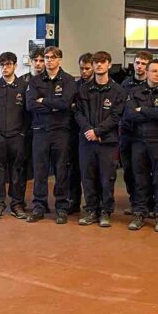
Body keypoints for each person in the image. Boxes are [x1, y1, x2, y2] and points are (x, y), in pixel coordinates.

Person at [25, 46, 77, 224]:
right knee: (40, 171)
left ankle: (61, 206)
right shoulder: (36, 81)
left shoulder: (69, 80)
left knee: (61, 170)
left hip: (61, 132)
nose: (48, 61)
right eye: (46, 57)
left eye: (52, 58)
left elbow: (65, 103)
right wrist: (53, 105)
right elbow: (30, 105)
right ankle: (39, 205)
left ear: (59, 60)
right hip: (40, 131)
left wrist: (44, 101)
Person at [74, 51, 125, 228]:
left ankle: (105, 211)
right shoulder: (83, 90)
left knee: (107, 178)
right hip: (86, 141)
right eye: (96, 62)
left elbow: (116, 115)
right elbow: (78, 112)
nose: (99, 65)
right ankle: (91, 211)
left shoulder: (118, 90)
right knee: (88, 178)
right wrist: (88, 130)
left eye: (103, 62)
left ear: (109, 65)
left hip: (107, 142)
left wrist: (98, 131)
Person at [122, 59, 158, 232]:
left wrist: (142, 110)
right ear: (147, 72)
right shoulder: (135, 91)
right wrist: (154, 112)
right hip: (139, 142)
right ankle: (139, 213)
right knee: (140, 179)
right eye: (154, 71)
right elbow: (129, 114)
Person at [0, 52, 28, 219]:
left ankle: (17, 205)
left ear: (15, 65)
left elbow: (27, 114)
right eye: (2, 65)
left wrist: (23, 133)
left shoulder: (23, 87)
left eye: (8, 64)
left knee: (17, 172)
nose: (5, 68)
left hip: (17, 137)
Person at [119, 51, 154, 215]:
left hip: (147, 134)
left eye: (143, 64)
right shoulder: (126, 84)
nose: (139, 66)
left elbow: (155, 112)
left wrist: (142, 112)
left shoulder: (153, 85)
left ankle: (147, 203)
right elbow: (124, 110)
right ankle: (135, 201)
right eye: (137, 63)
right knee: (129, 169)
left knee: (145, 170)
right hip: (127, 132)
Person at [66, 52, 94, 215]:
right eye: (81, 68)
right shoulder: (75, 86)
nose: (84, 72)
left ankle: (94, 204)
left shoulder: (99, 86)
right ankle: (73, 201)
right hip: (75, 132)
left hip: (93, 134)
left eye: (87, 68)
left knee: (91, 171)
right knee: (73, 169)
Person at [19, 48, 45, 189]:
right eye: (36, 60)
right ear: (30, 62)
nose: (38, 64)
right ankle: (19, 201)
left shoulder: (49, 82)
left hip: (43, 128)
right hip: (25, 129)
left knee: (41, 167)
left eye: (42, 61)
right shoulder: (22, 81)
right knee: (22, 165)